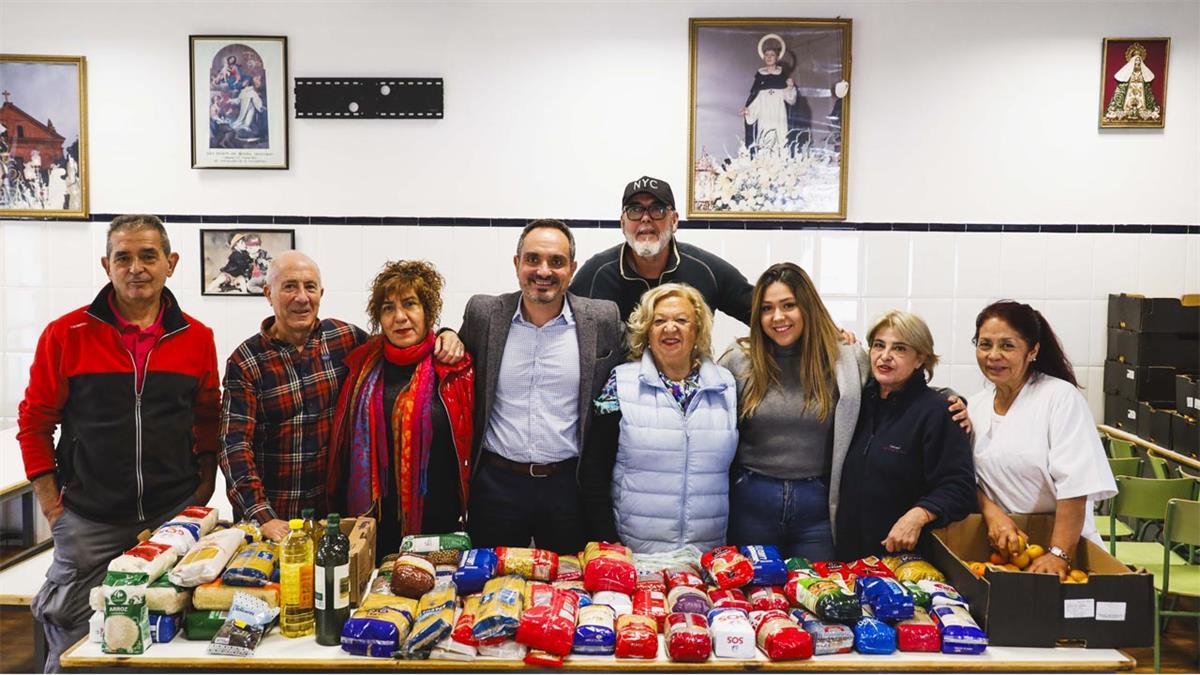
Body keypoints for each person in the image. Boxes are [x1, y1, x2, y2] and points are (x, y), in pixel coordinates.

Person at [17, 214, 220, 671]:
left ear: (171, 262)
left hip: (173, 514)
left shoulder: (197, 337)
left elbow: (208, 418)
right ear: (106, 265)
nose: (136, 268)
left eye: (148, 256)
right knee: (73, 635)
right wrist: (53, 506)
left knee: (169, 635)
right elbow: (33, 422)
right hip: (89, 519)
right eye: (123, 257)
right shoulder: (65, 335)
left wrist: (203, 489)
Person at [458, 219, 625, 555]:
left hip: (568, 485)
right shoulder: (485, 314)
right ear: (517, 263)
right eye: (533, 259)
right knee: (488, 590)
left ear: (573, 269)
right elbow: (457, 360)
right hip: (496, 484)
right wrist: (446, 332)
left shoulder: (602, 319)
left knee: (568, 589)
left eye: (556, 262)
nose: (543, 271)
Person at [717, 262, 867, 561]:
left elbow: (896, 390)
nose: (778, 317)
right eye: (767, 308)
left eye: (789, 305)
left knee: (817, 594)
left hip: (819, 509)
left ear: (808, 307)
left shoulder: (845, 360)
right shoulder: (739, 359)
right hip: (751, 501)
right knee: (753, 600)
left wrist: (950, 400)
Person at [326, 260, 474, 560]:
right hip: (370, 526)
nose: (400, 317)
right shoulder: (361, 366)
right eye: (388, 308)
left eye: (410, 304)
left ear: (427, 312)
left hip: (439, 526)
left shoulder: (456, 369)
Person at [580, 284, 738, 552]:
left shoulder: (726, 385)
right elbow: (594, 471)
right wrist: (608, 540)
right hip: (635, 552)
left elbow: (735, 472)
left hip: (708, 554)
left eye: (681, 320)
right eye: (659, 321)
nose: (670, 328)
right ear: (646, 331)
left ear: (697, 329)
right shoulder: (621, 382)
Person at [969, 300, 1117, 580]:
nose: (993, 355)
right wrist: (993, 515)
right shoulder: (976, 406)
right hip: (1004, 552)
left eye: (1007, 346)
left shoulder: (1059, 398)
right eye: (985, 344)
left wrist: (1059, 554)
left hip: (1064, 550)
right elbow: (968, 478)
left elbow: (1076, 484)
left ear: (1033, 350)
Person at [834, 310, 976, 562]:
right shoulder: (856, 404)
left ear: (920, 358)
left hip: (905, 561)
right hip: (849, 557)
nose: (885, 356)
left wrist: (918, 515)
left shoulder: (940, 412)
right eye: (879, 345)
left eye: (899, 348)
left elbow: (959, 488)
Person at [570, 176, 754, 325]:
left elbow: (764, 315)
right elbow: (561, 319)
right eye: (635, 210)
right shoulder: (596, 272)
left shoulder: (707, 270)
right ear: (622, 223)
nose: (645, 218)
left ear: (674, 220)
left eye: (657, 209)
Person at [741, 35, 807, 154]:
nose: (769, 57)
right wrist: (748, 111)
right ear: (763, 58)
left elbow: (791, 100)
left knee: (780, 144)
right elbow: (756, 100)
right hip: (764, 118)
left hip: (779, 117)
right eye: (766, 55)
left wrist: (790, 88)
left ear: (777, 58)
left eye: (772, 55)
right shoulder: (759, 79)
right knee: (764, 143)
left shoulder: (782, 78)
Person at [1104, 42, 1161, 122]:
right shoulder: (1128, 73)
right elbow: (1124, 83)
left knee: (1142, 105)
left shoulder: (1143, 74)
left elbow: (1147, 85)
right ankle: (1126, 112)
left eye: (1139, 61)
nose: (1137, 63)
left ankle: (1142, 113)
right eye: (1136, 61)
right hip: (1130, 92)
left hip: (1141, 92)